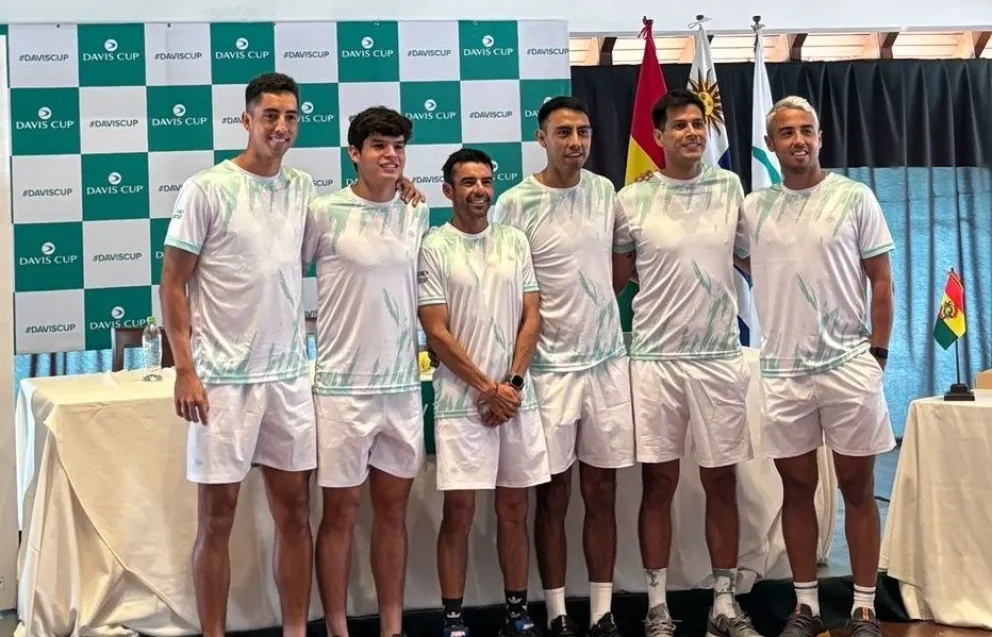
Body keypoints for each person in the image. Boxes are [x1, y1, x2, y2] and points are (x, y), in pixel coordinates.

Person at [160, 72, 316, 637]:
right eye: (270, 116)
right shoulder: (207, 188)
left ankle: (296, 630)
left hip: (287, 379)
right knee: (217, 518)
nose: (281, 126)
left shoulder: (301, 188)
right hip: (221, 380)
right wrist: (186, 369)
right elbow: (173, 282)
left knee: (296, 513)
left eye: (291, 117)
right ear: (246, 121)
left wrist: (402, 192)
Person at [737, 95, 895, 637]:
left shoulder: (854, 197)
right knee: (796, 489)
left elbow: (881, 280)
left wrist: (878, 355)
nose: (798, 140)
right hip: (783, 372)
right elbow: (734, 255)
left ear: (820, 137)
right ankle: (805, 607)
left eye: (807, 131)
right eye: (787, 133)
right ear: (772, 143)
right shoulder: (754, 208)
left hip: (850, 363)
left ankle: (865, 607)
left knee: (858, 488)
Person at [615, 88, 761, 637]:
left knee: (721, 481)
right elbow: (616, 278)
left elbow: (753, 260)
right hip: (655, 360)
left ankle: (724, 603)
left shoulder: (730, 188)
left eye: (698, 123)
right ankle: (657, 605)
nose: (691, 133)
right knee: (658, 484)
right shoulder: (631, 200)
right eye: (678, 125)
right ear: (658, 137)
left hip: (720, 357)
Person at [492, 96, 635, 637]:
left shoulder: (605, 193)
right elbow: (506, 289)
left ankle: (600, 612)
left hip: (604, 366)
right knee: (552, 495)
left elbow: (619, 267)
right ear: (542, 138)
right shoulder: (514, 203)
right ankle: (556, 614)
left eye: (584, 132)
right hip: (547, 372)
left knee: (602, 493)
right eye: (564, 133)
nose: (576, 142)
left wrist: (593, 310)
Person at [303, 105, 429, 637]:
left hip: (401, 388)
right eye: (379, 145)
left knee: (393, 515)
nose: (391, 155)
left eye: (398, 146)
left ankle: (393, 627)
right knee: (340, 515)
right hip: (340, 390)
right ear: (354, 154)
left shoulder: (416, 212)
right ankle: (336, 628)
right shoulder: (322, 211)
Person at [418, 147, 550, 637]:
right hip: (461, 402)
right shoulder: (434, 246)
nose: (480, 191)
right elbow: (437, 331)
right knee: (460, 513)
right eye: (468, 183)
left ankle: (517, 612)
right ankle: (453, 620)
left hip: (516, 399)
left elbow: (531, 316)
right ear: (448, 191)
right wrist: (486, 388)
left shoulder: (515, 241)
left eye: (486, 181)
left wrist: (511, 385)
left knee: (515, 510)